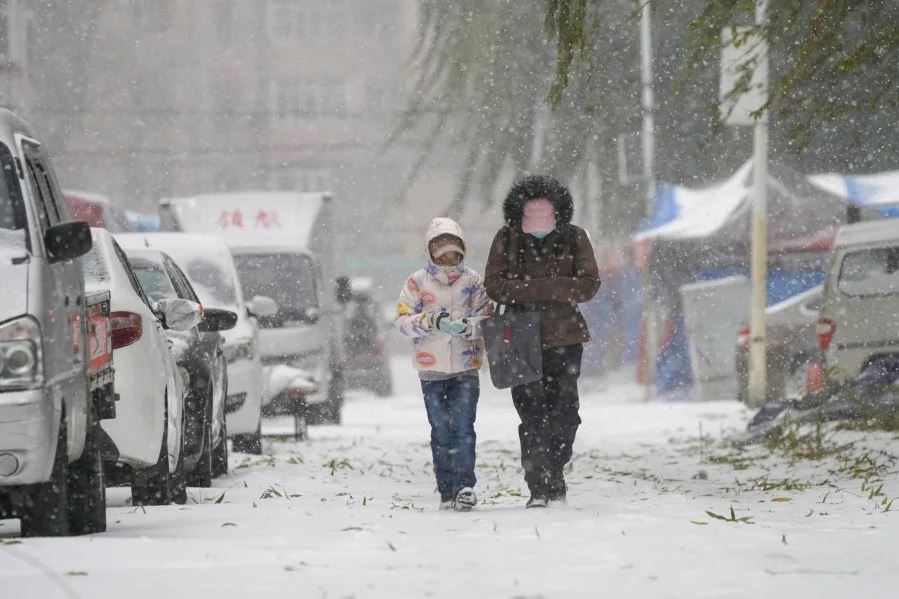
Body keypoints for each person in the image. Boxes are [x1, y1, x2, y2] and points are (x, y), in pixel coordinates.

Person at [484, 175, 600, 508]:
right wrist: (551, 288)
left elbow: (589, 284)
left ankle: (555, 467)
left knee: (566, 413)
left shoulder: (575, 238)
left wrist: (537, 288)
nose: (537, 214)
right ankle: (538, 482)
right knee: (532, 413)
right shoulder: (505, 239)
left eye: (544, 208)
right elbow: (494, 285)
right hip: (519, 338)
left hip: (566, 337)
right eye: (529, 209)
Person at [395, 217, 492, 511]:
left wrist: (468, 327)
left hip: (466, 367)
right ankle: (446, 489)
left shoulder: (473, 281)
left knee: (463, 428)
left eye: (453, 252)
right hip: (431, 369)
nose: (448, 259)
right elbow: (401, 321)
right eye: (441, 252)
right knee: (441, 430)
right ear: (431, 251)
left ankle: (464, 487)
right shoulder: (417, 282)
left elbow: (487, 319)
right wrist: (427, 320)